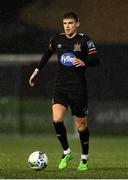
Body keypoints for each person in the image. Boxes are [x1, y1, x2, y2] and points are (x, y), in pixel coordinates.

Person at [29, 12, 100, 171]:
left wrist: (84, 61)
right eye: (65, 23)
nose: (67, 26)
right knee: (56, 119)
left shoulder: (84, 40)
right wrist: (37, 70)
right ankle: (67, 152)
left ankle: (84, 158)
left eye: (70, 23)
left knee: (81, 126)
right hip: (60, 86)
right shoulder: (57, 39)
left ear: (77, 24)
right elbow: (48, 53)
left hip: (78, 88)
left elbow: (96, 60)